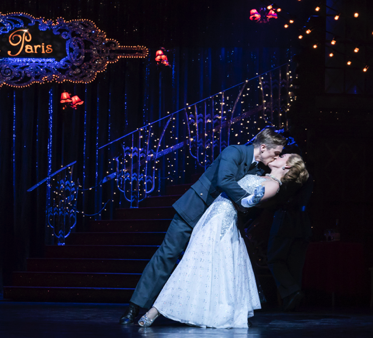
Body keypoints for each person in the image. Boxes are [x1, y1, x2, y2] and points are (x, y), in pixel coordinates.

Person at [119, 127, 287, 324]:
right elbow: (224, 180)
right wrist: (245, 200)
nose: (276, 158)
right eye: (276, 153)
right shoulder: (234, 151)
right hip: (194, 211)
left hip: (217, 220)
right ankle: (135, 307)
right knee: (167, 255)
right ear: (264, 147)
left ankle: (202, 312)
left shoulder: (258, 169)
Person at [138, 154, 309, 328]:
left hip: (222, 221)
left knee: (193, 262)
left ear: (286, 167)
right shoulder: (264, 176)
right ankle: (192, 309)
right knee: (200, 263)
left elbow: (247, 204)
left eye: (283, 156)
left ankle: (155, 311)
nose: (278, 156)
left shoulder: (273, 185)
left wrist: (252, 199)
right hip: (214, 214)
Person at [267, 172, 314, 312]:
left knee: (274, 259)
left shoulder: (287, 176)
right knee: (295, 263)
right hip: (303, 221)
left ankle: (292, 292)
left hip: (285, 220)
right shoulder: (307, 176)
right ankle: (292, 301)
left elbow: (279, 197)